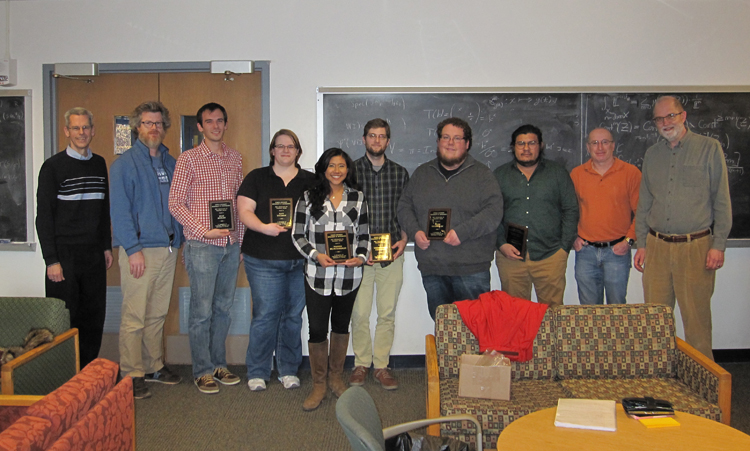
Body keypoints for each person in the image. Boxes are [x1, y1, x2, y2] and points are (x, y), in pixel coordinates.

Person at [634, 95, 731, 361]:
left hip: (696, 248)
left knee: (696, 322)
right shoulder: (652, 155)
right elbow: (644, 203)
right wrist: (641, 243)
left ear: (683, 116)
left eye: (671, 116)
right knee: (654, 322)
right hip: (656, 248)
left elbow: (721, 200)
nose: (665, 122)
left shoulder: (709, 148)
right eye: (659, 118)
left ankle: (704, 390)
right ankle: (658, 382)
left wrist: (718, 245)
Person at [110, 101, 184, 400]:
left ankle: (154, 365)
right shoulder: (124, 165)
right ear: (136, 127)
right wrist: (133, 249)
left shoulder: (171, 162)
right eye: (147, 123)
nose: (153, 128)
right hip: (139, 251)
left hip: (168, 250)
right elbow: (120, 212)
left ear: (164, 128)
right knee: (134, 316)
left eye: (158, 124)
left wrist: (179, 240)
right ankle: (131, 373)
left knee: (157, 314)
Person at [169, 102, 244, 394]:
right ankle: (201, 370)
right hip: (202, 245)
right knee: (201, 310)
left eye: (220, 121)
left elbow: (240, 203)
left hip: (230, 245)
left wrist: (240, 241)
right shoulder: (187, 159)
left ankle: (218, 364)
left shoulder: (235, 159)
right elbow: (175, 203)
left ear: (225, 124)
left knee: (223, 308)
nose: (215, 126)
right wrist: (203, 230)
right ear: (199, 126)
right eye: (209, 121)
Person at [397, 117, 503, 320]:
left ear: (467, 144)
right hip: (433, 267)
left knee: (475, 328)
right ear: (438, 142)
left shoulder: (482, 175)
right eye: (445, 137)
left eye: (457, 138)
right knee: (444, 329)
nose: (450, 143)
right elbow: (404, 206)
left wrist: (461, 233)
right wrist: (415, 231)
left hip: (471, 269)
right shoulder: (422, 174)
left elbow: (493, 212)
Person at [292, 147, 369, 411]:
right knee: (316, 329)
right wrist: (315, 255)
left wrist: (360, 256)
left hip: (349, 276)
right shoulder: (307, 198)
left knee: (340, 327)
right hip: (318, 275)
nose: (337, 171)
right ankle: (319, 384)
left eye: (342, 166)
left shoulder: (357, 198)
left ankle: (336, 378)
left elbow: (364, 235)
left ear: (348, 170)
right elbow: (297, 235)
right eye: (332, 166)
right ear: (323, 168)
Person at [238, 129, 315, 392]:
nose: (285, 151)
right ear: (272, 150)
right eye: (280, 146)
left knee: (293, 316)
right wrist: (263, 227)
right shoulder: (256, 177)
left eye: (290, 146)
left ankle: (288, 369)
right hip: (262, 259)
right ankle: (258, 371)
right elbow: (244, 211)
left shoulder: (311, 181)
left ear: (297, 151)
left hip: (300, 261)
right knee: (266, 315)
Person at [36, 107, 113, 370]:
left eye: (86, 128)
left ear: (92, 130)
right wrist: (51, 260)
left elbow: (103, 209)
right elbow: (43, 217)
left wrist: (106, 246)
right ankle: (65, 378)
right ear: (67, 131)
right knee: (65, 321)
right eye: (76, 128)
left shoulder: (99, 163)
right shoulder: (53, 167)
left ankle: (88, 376)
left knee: (93, 318)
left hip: (93, 254)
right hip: (64, 257)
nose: (82, 133)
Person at [349, 119, 409, 390]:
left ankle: (381, 366)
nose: (376, 141)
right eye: (372, 136)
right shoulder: (349, 172)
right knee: (359, 314)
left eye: (382, 136)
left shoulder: (400, 172)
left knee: (387, 313)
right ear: (363, 139)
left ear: (388, 141)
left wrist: (406, 237)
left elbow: (407, 210)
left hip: (391, 253)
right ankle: (361, 363)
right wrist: (355, 248)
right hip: (359, 257)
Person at [494, 124, 578, 306]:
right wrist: (501, 244)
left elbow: (571, 209)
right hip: (511, 258)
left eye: (531, 143)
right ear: (513, 147)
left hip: (550, 256)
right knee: (515, 315)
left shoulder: (557, 173)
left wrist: (564, 248)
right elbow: (492, 215)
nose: (526, 148)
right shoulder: (499, 175)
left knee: (552, 316)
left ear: (541, 145)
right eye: (521, 143)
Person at [570, 128, 641, 305]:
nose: (600, 147)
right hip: (585, 252)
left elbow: (642, 212)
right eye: (594, 143)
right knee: (588, 312)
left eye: (605, 142)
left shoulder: (630, 173)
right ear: (588, 147)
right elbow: (568, 211)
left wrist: (629, 241)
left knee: (616, 311)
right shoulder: (577, 175)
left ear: (613, 145)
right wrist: (573, 237)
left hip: (616, 252)